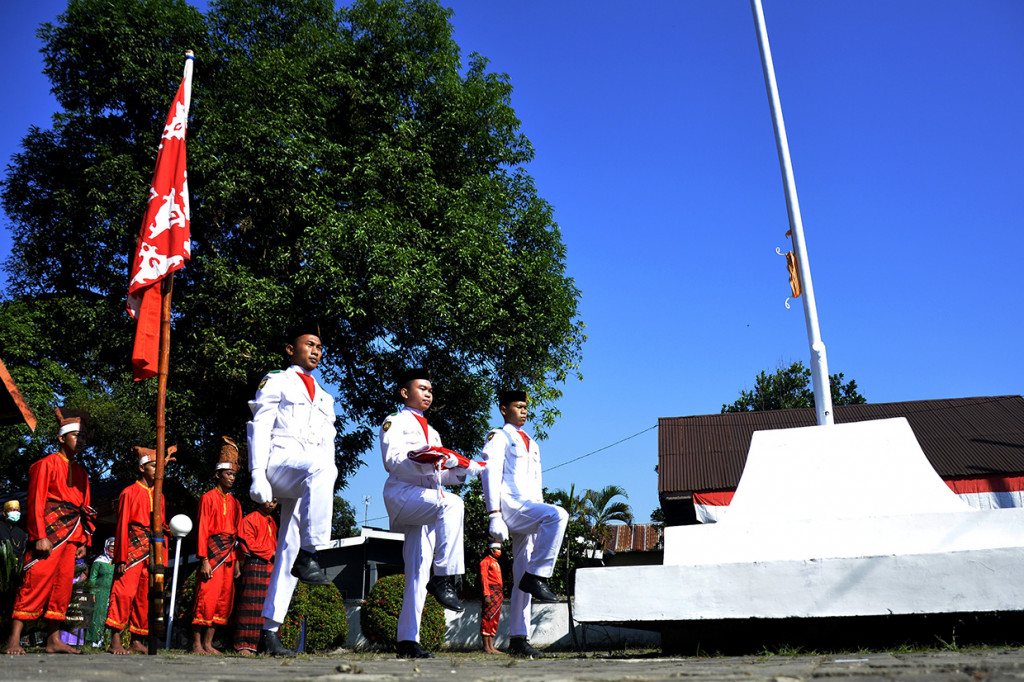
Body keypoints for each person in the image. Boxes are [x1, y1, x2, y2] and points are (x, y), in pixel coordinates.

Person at [246, 322, 337, 657]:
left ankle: (269, 631)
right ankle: (312, 554)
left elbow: (328, 445)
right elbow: (261, 424)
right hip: (280, 463)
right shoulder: (278, 380)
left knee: (289, 548)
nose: (316, 350)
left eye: (319, 346)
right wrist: (257, 473)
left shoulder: (326, 396)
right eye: (309, 344)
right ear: (290, 349)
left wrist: (323, 486)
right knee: (321, 467)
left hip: (310, 474)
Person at [379, 368, 482, 659]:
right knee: (453, 504)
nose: (428, 393)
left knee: (416, 573)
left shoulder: (433, 431)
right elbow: (392, 461)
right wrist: (427, 457)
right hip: (403, 496)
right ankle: (445, 576)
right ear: (404, 392)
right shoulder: (394, 422)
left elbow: (439, 477)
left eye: (430, 390)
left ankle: (407, 641)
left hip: (427, 502)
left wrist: (459, 471)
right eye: (422, 388)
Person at [481, 390, 568, 659]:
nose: (524, 411)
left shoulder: (532, 442)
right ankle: (538, 575)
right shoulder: (499, 436)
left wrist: (539, 511)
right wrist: (493, 513)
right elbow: (489, 472)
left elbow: (536, 483)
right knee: (559, 515)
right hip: (510, 502)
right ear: (504, 409)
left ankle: (519, 638)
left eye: (526, 407)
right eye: (518, 406)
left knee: (522, 573)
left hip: (529, 507)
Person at [4, 408, 95, 655]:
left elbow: (84, 508)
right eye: (77, 435)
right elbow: (35, 502)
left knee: (63, 587)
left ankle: (53, 640)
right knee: (36, 580)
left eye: (84, 437)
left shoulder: (83, 473)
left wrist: (84, 539)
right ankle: (13, 639)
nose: (81, 440)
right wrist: (40, 535)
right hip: (49, 533)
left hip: (72, 535)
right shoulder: (45, 464)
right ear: (62, 438)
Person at [104, 447, 169, 655]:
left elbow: (162, 527)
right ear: (142, 468)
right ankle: (115, 640)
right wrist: (121, 556)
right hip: (132, 549)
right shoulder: (129, 492)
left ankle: (136, 640)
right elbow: (121, 525)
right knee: (124, 593)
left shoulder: (160, 496)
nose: (157, 471)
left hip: (152, 550)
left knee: (145, 596)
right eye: (153, 466)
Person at [191, 437, 242, 655]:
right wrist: (203, 559)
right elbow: (203, 528)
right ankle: (196, 644)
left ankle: (209, 643)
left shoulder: (235, 503)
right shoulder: (207, 498)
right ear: (218, 475)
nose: (231, 478)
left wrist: (239, 562)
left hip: (229, 557)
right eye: (228, 474)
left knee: (223, 601)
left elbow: (238, 535)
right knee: (205, 598)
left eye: (234, 475)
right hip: (211, 555)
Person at [232, 499, 279, 656]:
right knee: (250, 605)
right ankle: (244, 645)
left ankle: (263, 645)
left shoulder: (272, 521)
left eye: (275, 501)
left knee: (268, 607)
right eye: (268, 500)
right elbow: (249, 545)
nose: (271, 504)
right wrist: (271, 553)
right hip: (255, 565)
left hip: (271, 567)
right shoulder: (250, 518)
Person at [85, 538, 115, 647]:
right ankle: (94, 640)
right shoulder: (99, 561)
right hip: (99, 593)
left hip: (112, 592)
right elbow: (92, 578)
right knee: (98, 615)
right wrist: (92, 592)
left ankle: (107, 641)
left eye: (115, 547)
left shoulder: (117, 562)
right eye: (111, 546)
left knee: (110, 615)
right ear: (106, 547)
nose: (113, 549)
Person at [479, 539, 503, 654]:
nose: (499, 551)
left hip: (498, 593)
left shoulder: (495, 562)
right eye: (497, 549)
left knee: (494, 619)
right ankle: (486, 647)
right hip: (491, 592)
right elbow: (484, 579)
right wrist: (486, 594)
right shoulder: (485, 562)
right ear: (491, 549)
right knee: (487, 618)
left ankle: (491, 647)